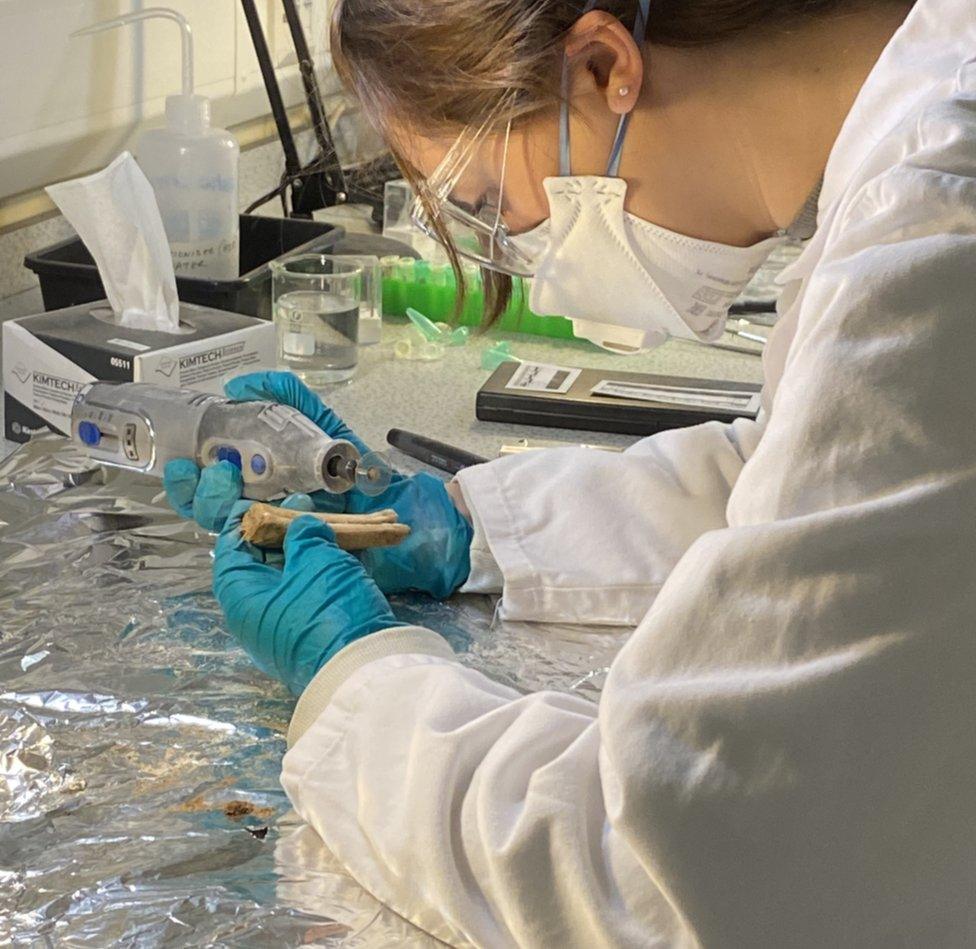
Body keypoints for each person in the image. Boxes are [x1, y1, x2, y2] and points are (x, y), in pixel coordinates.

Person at [165, 0, 976, 943]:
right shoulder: (915, 143)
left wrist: (353, 675)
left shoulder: (934, 224)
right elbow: (802, 486)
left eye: (493, 211)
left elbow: (673, 876)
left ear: (601, 67)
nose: (536, 270)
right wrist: (463, 526)